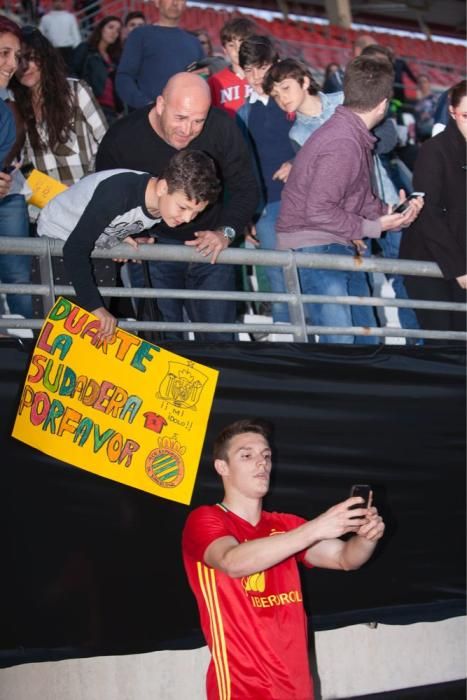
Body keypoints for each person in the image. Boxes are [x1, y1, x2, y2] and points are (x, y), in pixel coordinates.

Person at [182, 418, 385, 700]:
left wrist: (366, 537)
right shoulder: (206, 519)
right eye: (247, 455)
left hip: (297, 688)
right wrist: (315, 528)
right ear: (222, 467)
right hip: (242, 690)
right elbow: (232, 561)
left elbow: (344, 558)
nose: (261, 463)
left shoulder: (286, 525)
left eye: (266, 456)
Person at [96, 71, 259, 342]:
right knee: (163, 345)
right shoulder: (123, 137)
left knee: (219, 343)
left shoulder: (221, 127)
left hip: (210, 250)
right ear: (160, 105)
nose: (188, 130)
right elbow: (101, 193)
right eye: (180, 118)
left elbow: (246, 188)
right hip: (152, 248)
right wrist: (122, 232)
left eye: (198, 121)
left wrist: (226, 233)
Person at [276, 56, 424, 344]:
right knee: (342, 344)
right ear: (382, 105)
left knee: (364, 341)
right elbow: (318, 210)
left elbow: (358, 196)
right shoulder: (343, 142)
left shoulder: (350, 135)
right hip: (316, 243)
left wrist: (392, 214)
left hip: (334, 240)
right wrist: (372, 227)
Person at [37, 150, 220, 340]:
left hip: (90, 248)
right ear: (163, 188)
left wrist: (127, 234)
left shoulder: (160, 203)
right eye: (183, 207)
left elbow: (120, 217)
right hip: (56, 241)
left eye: (196, 213)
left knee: (95, 337)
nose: (187, 218)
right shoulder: (119, 193)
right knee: (60, 338)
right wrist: (94, 306)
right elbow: (74, 249)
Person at [400, 79, 466, 338]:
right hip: (429, 260)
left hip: (459, 261)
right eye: (466, 115)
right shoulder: (434, 151)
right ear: (452, 112)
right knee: (442, 344)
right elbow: (429, 212)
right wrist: (458, 267)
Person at [236, 35, 295, 325]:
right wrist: (248, 214)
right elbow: (244, 168)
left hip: (305, 201)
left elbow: (319, 143)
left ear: (274, 65)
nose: (256, 76)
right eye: (249, 69)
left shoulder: (291, 102)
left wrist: (297, 162)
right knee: (277, 280)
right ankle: (287, 350)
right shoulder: (243, 113)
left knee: (312, 277)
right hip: (267, 208)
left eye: (261, 67)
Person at [0, 16, 33, 321]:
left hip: (10, 194)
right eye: (3, 54)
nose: (12, 64)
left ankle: (27, 349)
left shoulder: (10, 101)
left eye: (16, 56)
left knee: (20, 280)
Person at [115, 0, 203, 110]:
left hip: (185, 118)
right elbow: (124, 77)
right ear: (157, 2)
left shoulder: (194, 42)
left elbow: (202, 81)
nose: (175, 3)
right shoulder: (140, 35)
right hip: (147, 119)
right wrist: (146, 105)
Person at [264, 57, 343, 151]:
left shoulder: (343, 100)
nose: (282, 98)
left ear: (305, 82)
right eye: (275, 95)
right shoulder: (297, 134)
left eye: (285, 88)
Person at [207, 17, 256, 117]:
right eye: (231, 45)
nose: (237, 50)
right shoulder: (215, 82)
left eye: (242, 43)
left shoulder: (263, 77)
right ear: (224, 50)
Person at [82, 16, 123, 125]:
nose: (114, 32)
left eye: (118, 30)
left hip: (111, 111)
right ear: (101, 29)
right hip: (92, 106)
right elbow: (72, 73)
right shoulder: (85, 49)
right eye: (111, 27)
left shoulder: (114, 58)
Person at [38, 0, 81, 72]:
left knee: (68, 74)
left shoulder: (70, 17)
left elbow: (76, 37)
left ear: (64, 3)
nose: (58, 3)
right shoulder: (45, 18)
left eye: (61, 1)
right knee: (53, 73)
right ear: (52, 3)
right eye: (56, 1)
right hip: (52, 51)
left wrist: (76, 52)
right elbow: (40, 36)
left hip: (68, 51)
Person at [413, 74, 438, 142]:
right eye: (420, 82)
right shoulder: (418, 101)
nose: (422, 84)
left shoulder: (434, 98)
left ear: (429, 84)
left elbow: (435, 112)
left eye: (424, 82)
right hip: (419, 132)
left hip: (430, 131)